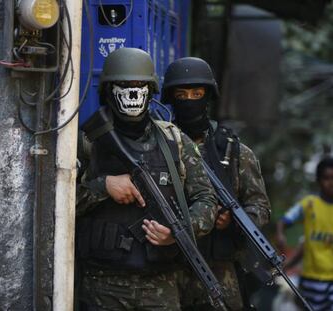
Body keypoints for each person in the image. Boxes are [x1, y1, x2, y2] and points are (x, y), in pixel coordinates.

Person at [75, 48, 218, 311]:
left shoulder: (174, 140)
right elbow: (59, 206)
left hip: (160, 286)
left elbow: (206, 200)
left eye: (140, 86)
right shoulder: (87, 142)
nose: (133, 93)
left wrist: (179, 232)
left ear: (150, 91)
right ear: (109, 90)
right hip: (101, 286)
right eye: (125, 86)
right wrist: (103, 186)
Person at [161, 57, 271, 310]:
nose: (190, 100)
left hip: (219, 269)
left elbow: (260, 207)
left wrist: (234, 221)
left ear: (208, 96)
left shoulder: (234, 153)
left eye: (197, 93)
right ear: (172, 98)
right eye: (182, 94)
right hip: (168, 269)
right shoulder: (159, 146)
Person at [276, 157, 333, 311]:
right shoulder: (309, 204)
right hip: (310, 280)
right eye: (327, 178)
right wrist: (280, 234)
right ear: (319, 180)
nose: (331, 183)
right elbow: (285, 220)